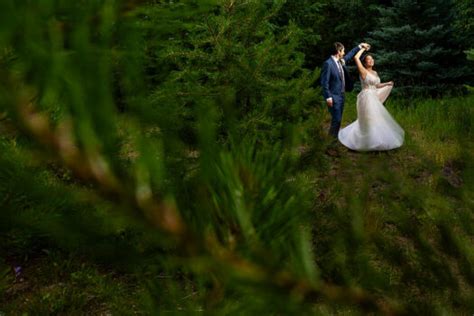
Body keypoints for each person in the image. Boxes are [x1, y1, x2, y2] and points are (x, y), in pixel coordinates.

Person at [337, 47, 405, 151]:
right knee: (368, 118)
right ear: (365, 63)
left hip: (374, 97)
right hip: (366, 97)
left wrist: (387, 83)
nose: (372, 60)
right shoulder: (363, 70)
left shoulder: (375, 73)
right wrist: (362, 48)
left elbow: (377, 85)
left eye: (372, 59)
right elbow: (356, 57)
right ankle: (364, 142)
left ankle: (376, 142)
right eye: (369, 59)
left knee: (376, 118)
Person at [321, 42, 370, 137]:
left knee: (338, 120)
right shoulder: (328, 64)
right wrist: (328, 97)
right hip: (333, 96)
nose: (344, 53)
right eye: (343, 51)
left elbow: (350, 55)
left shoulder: (340, 61)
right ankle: (330, 144)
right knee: (337, 119)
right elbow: (324, 82)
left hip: (342, 96)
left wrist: (360, 46)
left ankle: (333, 142)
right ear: (338, 51)